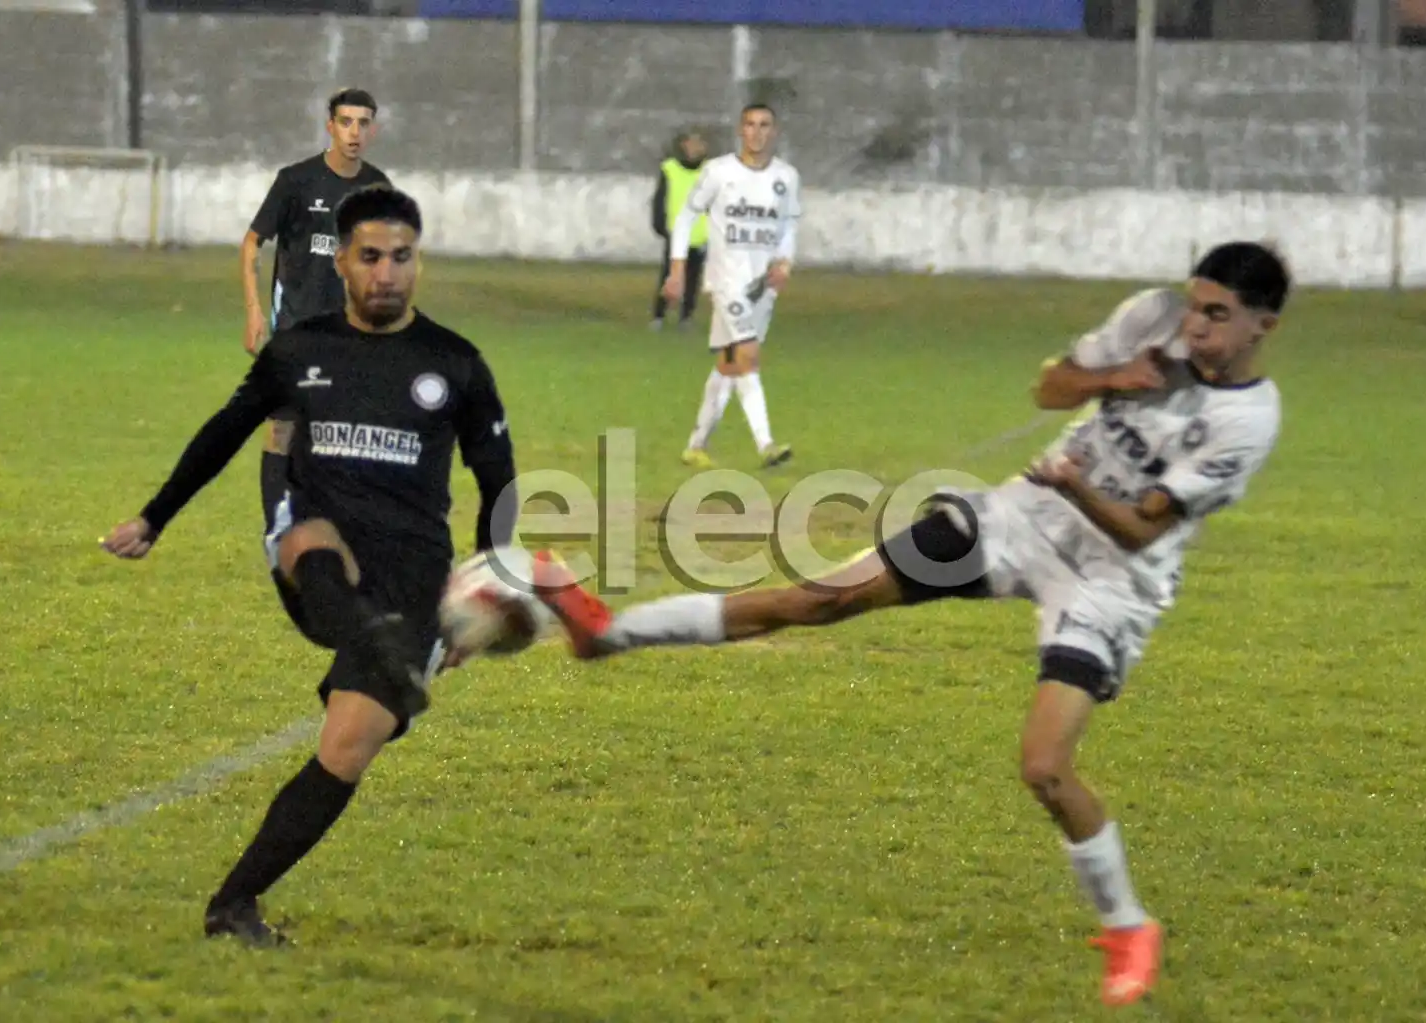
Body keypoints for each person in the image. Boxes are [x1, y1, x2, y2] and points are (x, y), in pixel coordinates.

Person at [532, 241, 1291, 1007]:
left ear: (1264, 325)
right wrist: (1110, 378)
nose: (1194, 324)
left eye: (1217, 314)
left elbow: (1137, 529)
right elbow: (1050, 388)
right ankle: (606, 634)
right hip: (1018, 521)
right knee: (819, 597)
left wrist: (1071, 481)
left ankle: (1128, 925)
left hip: (1110, 580)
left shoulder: (1247, 421)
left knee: (1045, 769)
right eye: (1195, 303)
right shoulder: (1150, 317)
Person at [101, 186, 518, 947]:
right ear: (341, 260)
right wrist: (154, 517)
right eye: (371, 257)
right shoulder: (300, 350)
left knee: (346, 749)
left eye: (402, 257)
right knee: (304, 533)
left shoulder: (455, 364)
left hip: (414, 575)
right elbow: (224, 433)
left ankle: (234, 902)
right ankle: (378, 636)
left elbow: (501, 482)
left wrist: (484, 588)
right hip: (323, 558)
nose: (387, 273)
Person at [241, 87, 392, 531]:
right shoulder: (296, 182)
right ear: (330, 126)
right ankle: (278, 531)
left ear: (373, 130)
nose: (354, 132)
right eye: (346, 122)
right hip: (295, 329)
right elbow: (252, 242)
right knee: (283, 430)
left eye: (363, 123)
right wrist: (253, 310)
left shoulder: (378, 188)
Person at [664, 103, 800, 470]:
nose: (757, 132)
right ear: (740, 130)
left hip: (761, 286)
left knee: (728, 364)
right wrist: (677, 270)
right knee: (748, 354)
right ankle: (766, 445)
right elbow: (687, 216)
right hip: (726, 281)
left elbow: (788, 225)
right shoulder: (719, 172)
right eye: (750, 125)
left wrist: (785, 262)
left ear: (774, 131)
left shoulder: (786, 177)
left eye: (765, 125)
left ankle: (695, 445)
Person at [650, 131, 709, 330]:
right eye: (691, 144)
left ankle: (686, 317)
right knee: (668, 277)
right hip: (675, 234)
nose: (695, 148)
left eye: (699, 144)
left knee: (693, 279)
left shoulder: (709, 171)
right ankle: (659, 315)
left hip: (699, 234)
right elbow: (660, 198)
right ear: (683, 145)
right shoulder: (670, 168)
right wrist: (660, 224)